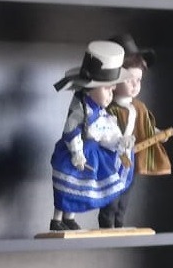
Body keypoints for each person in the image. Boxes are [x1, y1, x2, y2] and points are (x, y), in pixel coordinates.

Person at [49, 40, 133, 232]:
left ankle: (69, 218)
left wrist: (119, 141)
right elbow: (70, 131)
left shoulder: (100, 112)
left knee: (78, 191)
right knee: (66, 189)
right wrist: (77, 154)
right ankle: (57, 219)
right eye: (107, 89)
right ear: (91, 87)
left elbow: (106, 133)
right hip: (73, 152)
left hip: (90, 153)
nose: (111, 95)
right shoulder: (80, 108)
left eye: (112, 90)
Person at [99, 34, 172, 230]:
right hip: (111, 159)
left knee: (125, 194)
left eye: (138, 80)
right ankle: (107, 223)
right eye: (129, 80)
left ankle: (119, 223)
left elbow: (144, 126)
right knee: (111, 195)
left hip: (129, 159)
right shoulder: (107, 108)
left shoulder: (137, 108)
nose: (135, 85)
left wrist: (156, 133)